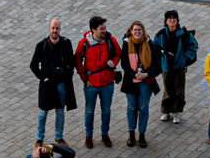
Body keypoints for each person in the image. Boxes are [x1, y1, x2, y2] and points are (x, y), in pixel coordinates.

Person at [74, 15, 120, 148]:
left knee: (106, 111)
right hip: (91, 84)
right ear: (93, 30)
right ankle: (89, 135)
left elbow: (118, 53)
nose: (105, 31)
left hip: (107, 82)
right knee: (89, 111)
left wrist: (114, 62)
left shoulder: (110, 40)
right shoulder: (84, 43)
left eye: (105, 28)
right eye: (101, 29)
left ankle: (105, 134)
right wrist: (84, 78)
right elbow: (77, 60)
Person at [29, 17, 76, 143]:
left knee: (60, 112)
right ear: (49, 29)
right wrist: (42, 77)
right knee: (43, 113)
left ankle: (58, 137)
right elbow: (33, 65)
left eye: (57, 28)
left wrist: (69, 75)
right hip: (48, 85)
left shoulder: (66, 43)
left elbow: (72, 62)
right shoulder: (41, 46)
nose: (55, 31)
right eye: (53, 28)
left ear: (60, 29)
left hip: (61, 84)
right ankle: (39, 138)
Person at [119, 20, 161, 148]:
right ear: (131, 31)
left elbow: (157, 65)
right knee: (131, 108)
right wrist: (133, 74)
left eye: (139, 30)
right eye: (135, 30)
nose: (137, 32)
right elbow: (124, 63)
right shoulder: (126, 43)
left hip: (145, 81)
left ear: (143, 31)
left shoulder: (150, 43)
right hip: (130, 81)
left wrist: (146, 74)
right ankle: (131, 134)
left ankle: (142, 134)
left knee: (143, 108)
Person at [154, 9, 198, 125]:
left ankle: (176, 112)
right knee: (168, 89)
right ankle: (166, 111)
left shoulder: (184, 34)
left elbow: (193, 47)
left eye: (174, 18)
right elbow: (154, 48)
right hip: (166, 66)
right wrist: (161, 58)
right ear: (166, 21)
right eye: (170, 18)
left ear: (177, 20)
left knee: (179, 89)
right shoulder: (161, 34)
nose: (172, 20)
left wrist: (184, 58)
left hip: (179, 66)